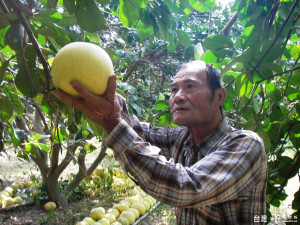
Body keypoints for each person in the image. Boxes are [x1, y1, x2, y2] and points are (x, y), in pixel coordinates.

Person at [54, 60, 267, 225]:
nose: (178, 97)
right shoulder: (184, 139)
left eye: (190, 86)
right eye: (174, 90)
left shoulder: (246, 145)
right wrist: (102, 93)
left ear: (219, 97)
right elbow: (139, 132)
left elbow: (186, 187)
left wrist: (112, 123)